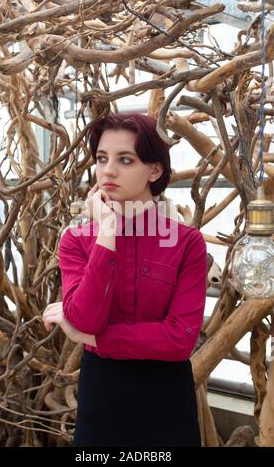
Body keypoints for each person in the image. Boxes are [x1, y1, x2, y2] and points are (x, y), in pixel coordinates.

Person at [43, 113, 207, 447]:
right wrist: (106, 233)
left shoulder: (187, 243)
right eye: (102, 159)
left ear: (155, 169)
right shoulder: (76, 240)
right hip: (102, 400)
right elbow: (86, 318)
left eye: (125, 160)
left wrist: (97, 339)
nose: (108, 171)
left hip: (167, 402)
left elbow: (179, 340)